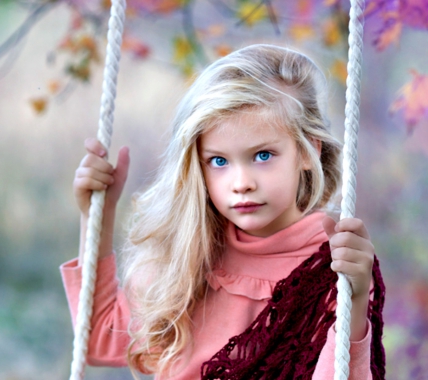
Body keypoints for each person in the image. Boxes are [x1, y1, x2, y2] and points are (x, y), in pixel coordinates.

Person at [62, 44, 385, 379]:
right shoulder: (192, 252)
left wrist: (356, 300)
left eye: (263, 155)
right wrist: (97, 214)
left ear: (307, 151)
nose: (241, 183)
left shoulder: (336, 263)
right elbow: (99, 339)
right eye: (219, 161)